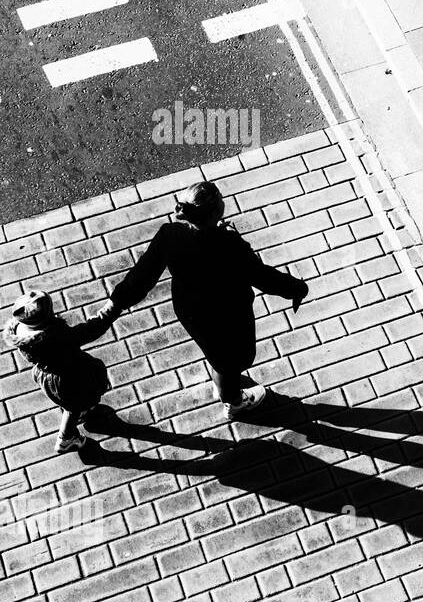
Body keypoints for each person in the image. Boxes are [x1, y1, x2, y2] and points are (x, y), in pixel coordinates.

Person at [105, 181, 308, 419]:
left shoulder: (170, 234)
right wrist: (297, 289)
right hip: (229, 313)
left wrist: (115, 303)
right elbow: (263, 277)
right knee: (235, 358)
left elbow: (141, 277)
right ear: (214, 212)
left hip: (191, 310)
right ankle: (233, 401)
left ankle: (223, 380)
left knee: (216, 351)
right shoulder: (230, 245)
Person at [4, 290, 121, 454]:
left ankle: (81, 413)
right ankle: (66, 439)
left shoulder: (21, 335)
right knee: (74, 405)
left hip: (47, 375)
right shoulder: (58, 336)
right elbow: (90, 329)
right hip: (69, 377)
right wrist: (110, 311)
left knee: (71, 403)